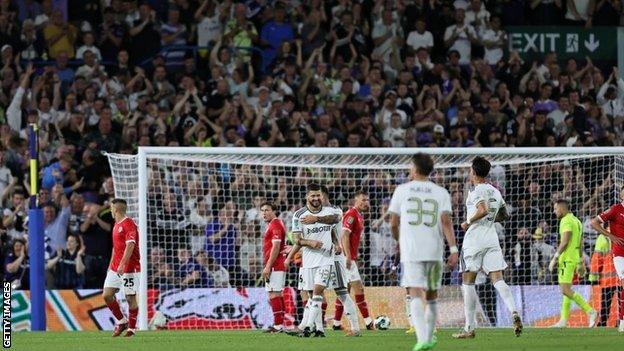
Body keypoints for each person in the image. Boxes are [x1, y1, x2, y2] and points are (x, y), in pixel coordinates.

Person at [389, 153, 459, 351]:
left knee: (414, 293)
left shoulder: (402, 190)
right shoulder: (441, 192)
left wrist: (398, 238)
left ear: (414, 168)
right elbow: (446, 222)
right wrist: (453, 249)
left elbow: (393, 223)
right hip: (434, 250)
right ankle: (429, 335)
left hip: (412, 251)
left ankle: (422, 339)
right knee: (431, 296)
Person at [453, 156, 522, 339]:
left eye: (470, 170)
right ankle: (514, 311)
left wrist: (467, 221)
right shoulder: (495, 191)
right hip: (491, 237)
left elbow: (482, 209)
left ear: (474, 172)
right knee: (498, 280)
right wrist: (490, 218)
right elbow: (504, 215)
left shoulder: (475, 190)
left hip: (474, 238)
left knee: (468, 282)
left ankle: (469, 328)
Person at [284, 183, 358, 337]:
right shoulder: (300, 215)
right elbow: (299, 239)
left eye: (319, 195)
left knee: (340, 291)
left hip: (333, 258)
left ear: (323, 196)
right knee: (311, 294)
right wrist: (292, 255)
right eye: (314, 195)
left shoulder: (332, 211)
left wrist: (337, 244)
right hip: (309, 259)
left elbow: (336, 222)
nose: (317, 198)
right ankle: (318, 329)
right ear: (307, 197)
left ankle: (353, 328)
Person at [549, 199, 597, 328]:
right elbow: (580, 243)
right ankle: (563, 320)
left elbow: (564, 242)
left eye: (555, 209)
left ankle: (590, 311)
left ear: (562, 208)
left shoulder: (566, 221)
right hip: (575, 259)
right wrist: (580, 261)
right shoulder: (577, 221)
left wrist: (555, 257)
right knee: (567, 290)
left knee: (565, 289)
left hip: (567, 260)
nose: (554, 212)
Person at [333, 191, 374, 330]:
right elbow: (344, 236)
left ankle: (336, 323)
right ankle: (369, 323)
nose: (365, 202)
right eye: (363, 199)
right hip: (346, 258)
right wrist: (349, 256)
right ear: (355, 200)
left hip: (348, 257)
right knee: (358, 289)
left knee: (345, 290)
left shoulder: (358, 215)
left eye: (367, 200)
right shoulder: (351, 214)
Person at [102, 198, 141, 337]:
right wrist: (110, 265)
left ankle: (131, 328)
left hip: (129, 268)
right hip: (115, 267)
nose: (111, 211)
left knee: (130, 298)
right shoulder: (116, 224)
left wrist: (123, 264)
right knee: (107, 295)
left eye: (112, 208)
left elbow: (130, 245)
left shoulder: (129, 224)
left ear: (116, 209)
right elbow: (116, 247)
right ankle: (121, 321)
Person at [590, 185, 624, 332]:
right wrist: (610, 236)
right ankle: (622, 322)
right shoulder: (616, 209)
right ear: (622, 195)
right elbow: (594, 222)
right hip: (619, 253)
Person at [260, 202, 287, 333]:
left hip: (275, 265)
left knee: (273, 294)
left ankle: (277, 325)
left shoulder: (275, 224)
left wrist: (268, 266)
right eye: (262, 210)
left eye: (267, 210)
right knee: (277, 293)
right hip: (277, 264)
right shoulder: (274, 224)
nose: (264, 213)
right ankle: (280, 324)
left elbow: (276, 247)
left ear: (274, 211)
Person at [588, 225, 619, 327]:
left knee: (605, 306)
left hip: (608, 279)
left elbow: (597, 259)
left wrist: (594, 278)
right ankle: (620, 322)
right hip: (621, 277)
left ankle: (602, 324)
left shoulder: (603, 237)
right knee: (621, 303)